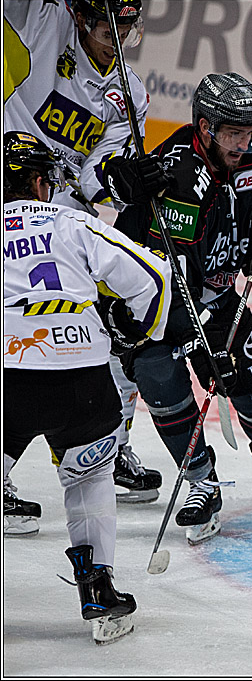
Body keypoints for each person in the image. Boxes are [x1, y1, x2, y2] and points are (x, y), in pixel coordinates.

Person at [113, 71, 252, 544]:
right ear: (205, 127)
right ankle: (201, 481)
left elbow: (249, 213)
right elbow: (170, 277)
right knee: (159, 376)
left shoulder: (249, 159)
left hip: (212, 293)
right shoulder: (178, 178)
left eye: (250, 131)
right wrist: (202, 345)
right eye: (234, 132)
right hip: (153, 306)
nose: (244, 142)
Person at [4, 0, 170, 518]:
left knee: (109, 330)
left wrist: (123, 179)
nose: (116, 39)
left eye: (127, 27)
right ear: (80, 18)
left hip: (61, 217)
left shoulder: (130, 94)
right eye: (107, 28)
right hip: (8, 194)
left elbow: (97, 178)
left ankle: (107, 446)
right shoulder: (44, 22)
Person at [2, 131, 171, 642]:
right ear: (40, 182)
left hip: (8, 377)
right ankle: (98, 591)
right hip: (82, 378)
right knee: (89, 478)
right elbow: (154, 280)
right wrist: (138, 336)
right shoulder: (72, 222)